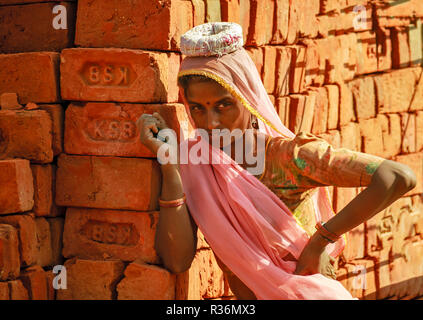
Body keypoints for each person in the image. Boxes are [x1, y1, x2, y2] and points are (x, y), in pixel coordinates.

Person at [137, 22, 417, 300]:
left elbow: (397, 176)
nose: (211, 122)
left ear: (248, 98)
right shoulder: (197, 166)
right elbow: (177, 261)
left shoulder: (290, 157)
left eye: (223, 105)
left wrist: (320, 241)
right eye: (198, 108)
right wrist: (170, 166)